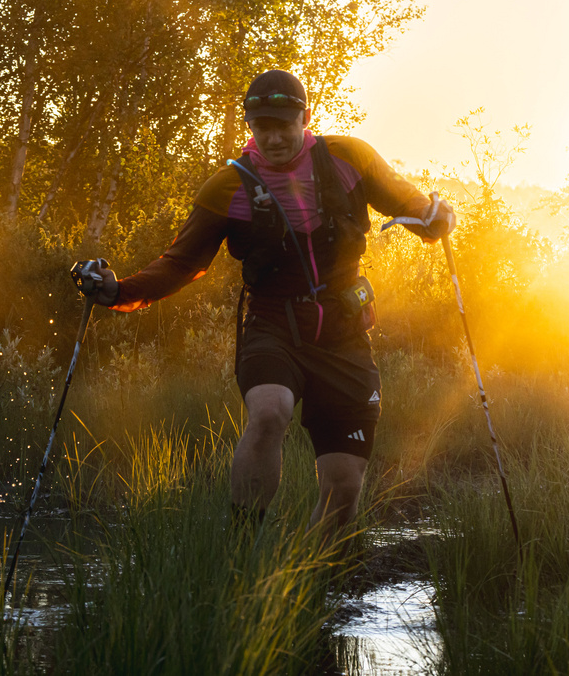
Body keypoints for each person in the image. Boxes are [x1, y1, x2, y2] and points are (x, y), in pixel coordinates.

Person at [87, 69, 455, 534]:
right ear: (250, 125)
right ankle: (242, 557)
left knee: (344, 488)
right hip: (272, 327)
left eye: (284, 124)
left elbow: (408, 201)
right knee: (269, 412)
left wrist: (434, 215)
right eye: (263, 127)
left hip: (342, 335)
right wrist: (120, 292)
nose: (275, 136)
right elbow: (181, 264)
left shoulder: (350, 158)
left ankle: (306, 586)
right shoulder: (228, 186)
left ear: (305, 117)